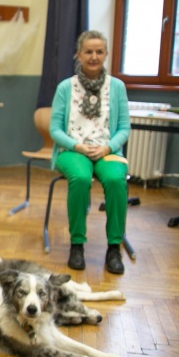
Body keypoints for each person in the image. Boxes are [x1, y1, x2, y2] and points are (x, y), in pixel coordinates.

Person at [49, 30, 130, 274]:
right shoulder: (66, 87)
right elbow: (55, 129)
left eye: (99, 51)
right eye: (88, 51)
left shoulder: (117, 87)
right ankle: (77, 244)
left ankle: (114, 248)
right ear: (79, 54)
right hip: (73, 149)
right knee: (81, 178)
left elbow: (124, 128)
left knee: (116, 179)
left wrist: (107, 147)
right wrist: (78, 146)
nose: (94, 56)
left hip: (107, 149)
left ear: (105, 54)